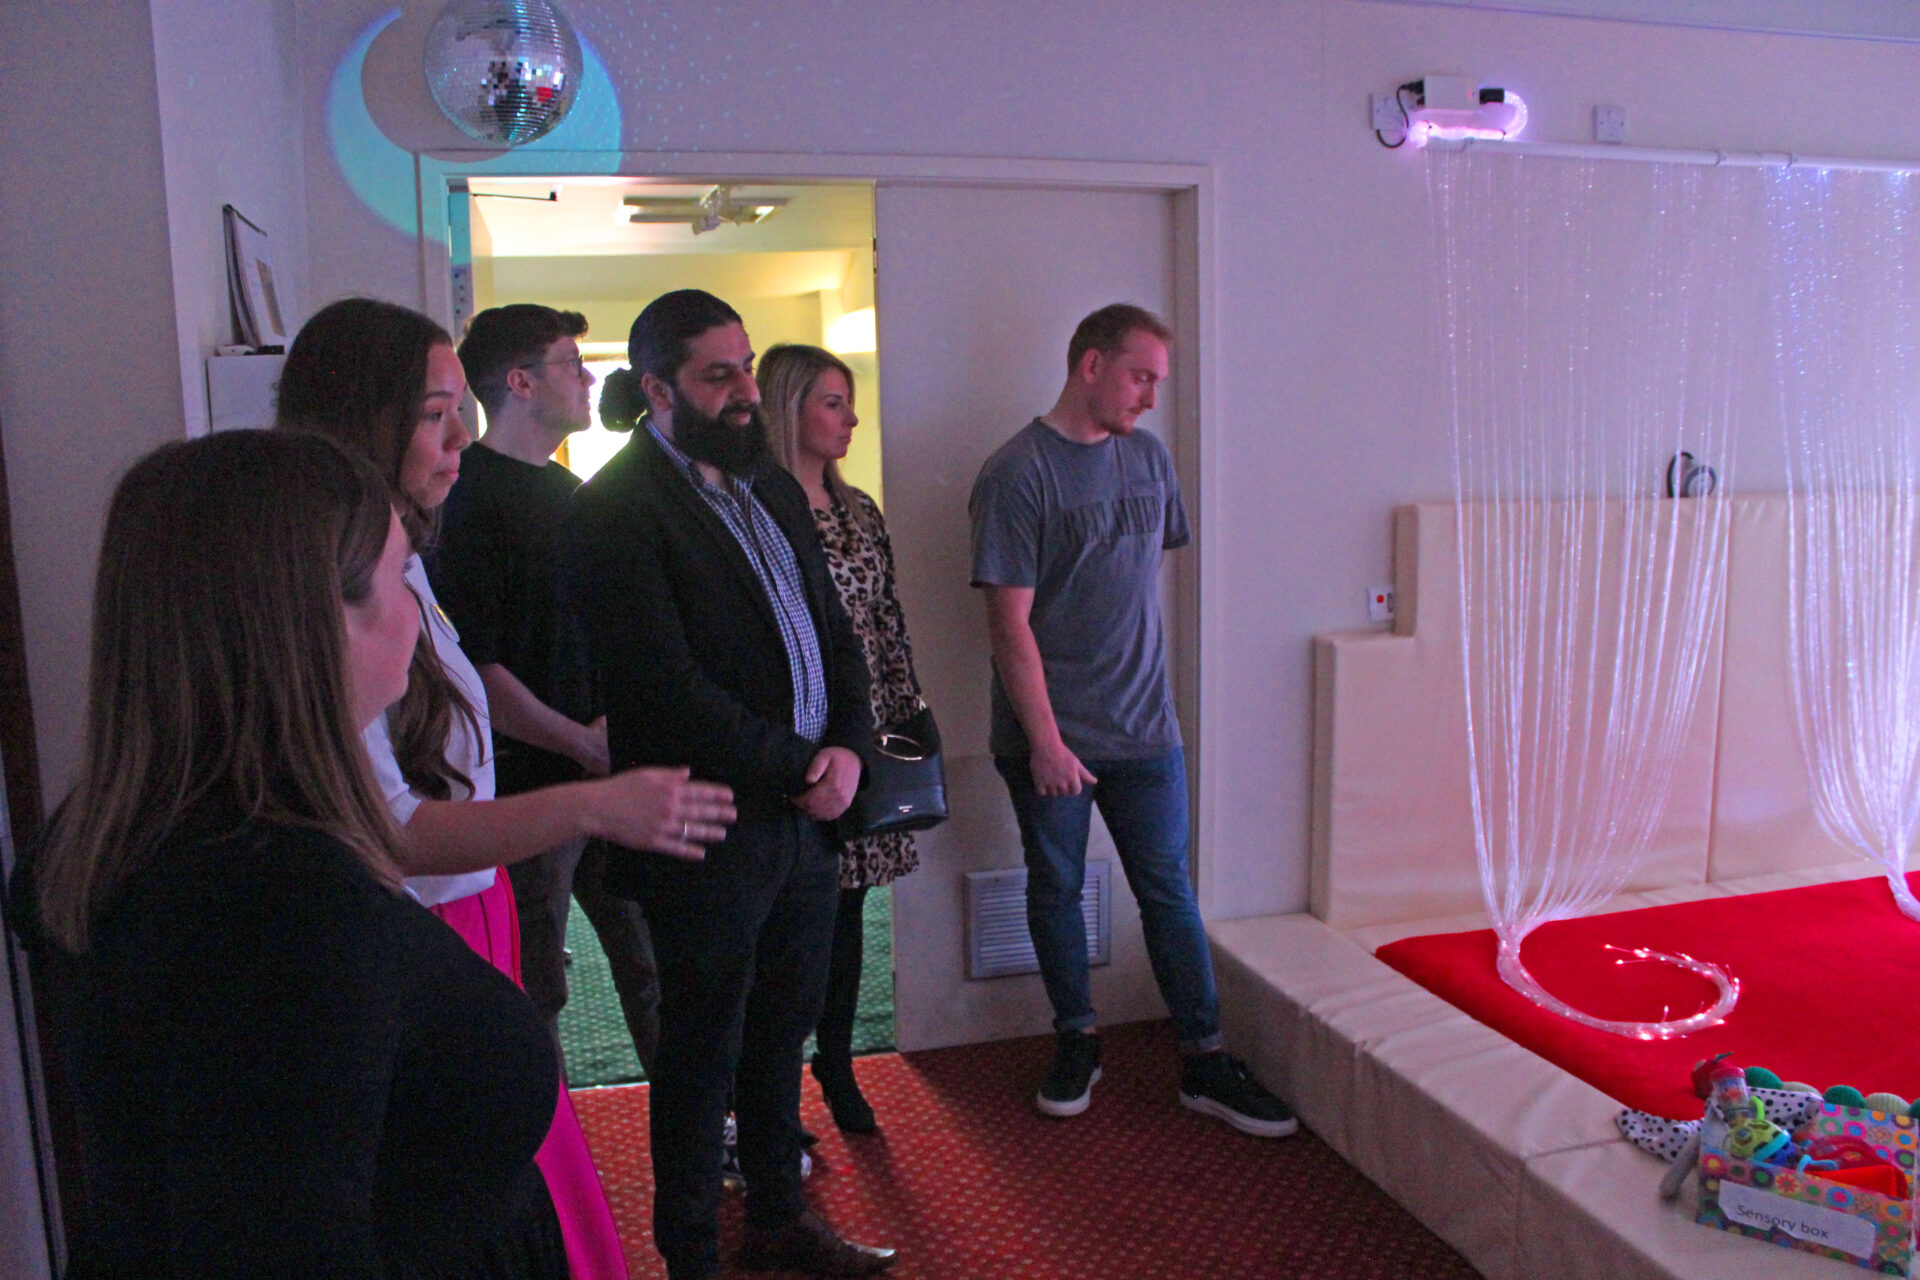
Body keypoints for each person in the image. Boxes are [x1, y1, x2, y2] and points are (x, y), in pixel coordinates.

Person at [12, 430, 568, 1276]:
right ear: (315, 621)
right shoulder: (281, 913)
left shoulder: (130, 831)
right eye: (395, 576)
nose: (418, 609)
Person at [277, 296, 737, 1280]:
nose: (457, 437)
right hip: (449, 892)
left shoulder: (418, 534)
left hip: (477, 872)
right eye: (434, 412)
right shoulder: (340, 571)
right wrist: (591, 783)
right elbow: (394, 817)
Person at [563, 290, 895, 1280]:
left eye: (748, 366)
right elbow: (665, 693)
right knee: (700, 1052)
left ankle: (781, 1221)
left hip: (803, 824)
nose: (749, 392)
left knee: (779, 1033)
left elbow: (834, 636)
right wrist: (804, 767)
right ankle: (693, 1254)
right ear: (657, 387)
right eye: (720, 374)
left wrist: (845, 748)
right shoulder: (612, 512)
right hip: (708, 826)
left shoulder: (772, 485)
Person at [968, 303, 1297, 1137]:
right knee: (1056, 887)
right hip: (1054, 734)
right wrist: (1044, 741)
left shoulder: (1150, 460)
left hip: (1148, 729)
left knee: (1168, 894)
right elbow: (1008, 625)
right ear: (1090, 366)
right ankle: (1076, 1040)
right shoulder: (1017, 474)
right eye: (1140, 376)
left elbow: (1138, 586)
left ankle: (1204, 1060)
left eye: (1158, 379)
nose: (1151, 396)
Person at [436, 303, 663, 1074]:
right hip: (529, 793)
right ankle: (547, 1170)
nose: (590, 377)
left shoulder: (567, 492)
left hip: (604, 774)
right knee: (535, 991)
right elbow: (479, 669)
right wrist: (581, 744)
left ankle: (707, 1134)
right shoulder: (466, 502)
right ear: (522, 382)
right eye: (573, 363)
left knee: (653, 970)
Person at [758, 343, 923, 1134]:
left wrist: (905, 718)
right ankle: (773, 1086)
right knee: (789, 922)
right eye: (832, 402)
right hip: (794, 736)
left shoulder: (860, 511)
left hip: (867, 726)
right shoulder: (755, 505)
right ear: (790, 408)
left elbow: (888, 621)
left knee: (850, 912)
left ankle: (837, 1065)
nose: (851, 418)